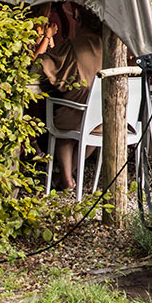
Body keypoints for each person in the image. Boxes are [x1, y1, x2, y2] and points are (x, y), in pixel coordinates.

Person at [35, 10, 105, 192]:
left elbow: (43, 65)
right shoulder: (109, 47)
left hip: (78, 114)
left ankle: (66, 177)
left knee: (62, 130)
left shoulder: (73, 46)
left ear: (79, 22)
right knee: (92, 135)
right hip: (102, 118)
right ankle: (68, 174)